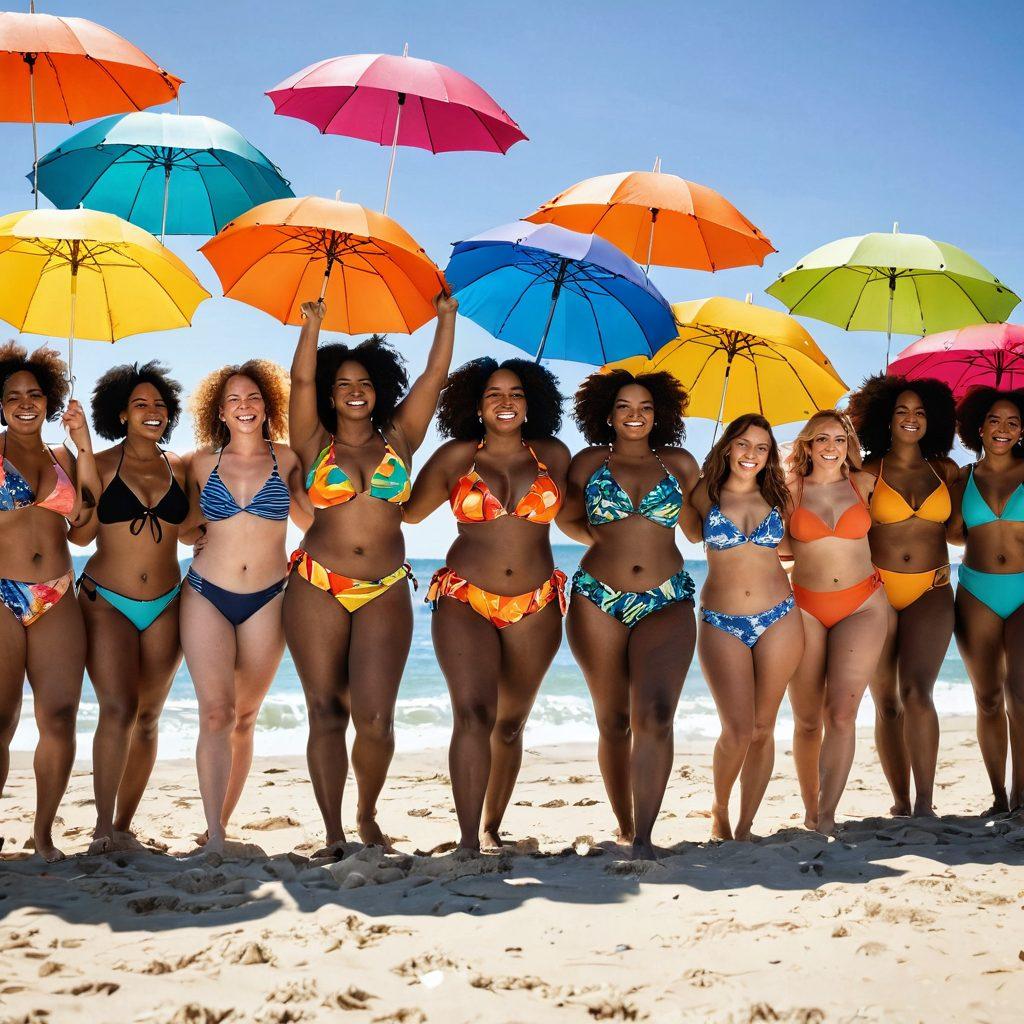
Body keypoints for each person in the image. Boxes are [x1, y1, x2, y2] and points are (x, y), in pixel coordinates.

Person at [285, 294, 457, 854]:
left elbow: (434, 377)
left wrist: (446, 319)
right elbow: (300, 381)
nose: (354, 391)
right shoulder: (312, 440)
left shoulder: (400, 438)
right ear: (330, 392)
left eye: (364, 383)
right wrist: (312, 327)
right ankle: (333, 831)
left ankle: (365, 813)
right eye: (343, 384)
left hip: (384, 587)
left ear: (379, 389)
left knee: (376, 718)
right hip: (317, 584)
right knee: (325, 712)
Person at [403, 357, 569, 853]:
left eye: (516, 393)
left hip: (536, 603)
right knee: (474, 715)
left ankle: (491, 827)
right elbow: (409, 513)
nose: (505, 402)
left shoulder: (552, 454)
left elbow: (580, 518)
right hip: (465, 598)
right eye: (494, 394)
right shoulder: (457, 457)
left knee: (510, 725)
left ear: (531, 403)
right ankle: (466, 840)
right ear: (476, 405)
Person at [560, 369, 699, 858]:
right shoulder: (589, 461)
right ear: (607, 414)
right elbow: (566, 515)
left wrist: (709, 488)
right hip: (598, 597)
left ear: (660, 415)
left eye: (644, 407)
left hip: (667, 597)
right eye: (624, 406)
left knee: (656, 715)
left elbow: (698, 530)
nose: (634, 415)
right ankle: (624, 823)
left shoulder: (680, 463)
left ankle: (644, 837)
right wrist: (603, 539)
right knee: (614, 720)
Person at [181, 361, 311, 855]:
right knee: (216, 712)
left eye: (253, 397)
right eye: (233, 399)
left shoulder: (287, 458)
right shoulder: (200, 463)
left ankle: (221, 822)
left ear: (268, 405)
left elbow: (309, 521)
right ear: (219, 411)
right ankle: (214, 835)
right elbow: (182, 527)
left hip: (269, 597)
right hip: (206, 593)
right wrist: (199, 534)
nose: (244, 406)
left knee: (244, 716)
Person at [70, 363, 189, 853]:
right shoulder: (99, 464)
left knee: (148, 718)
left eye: (159, 404)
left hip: (167, 602)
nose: (152, 411)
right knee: (118, 710)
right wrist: (81, 448)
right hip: (107, 601)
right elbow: (80, 535)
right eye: (140, 404)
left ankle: (123, 825)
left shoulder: (179, 466)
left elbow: (195, 528)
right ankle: (101, 827)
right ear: (121, 414)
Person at [682, 414, 803, 841]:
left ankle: (747, 824)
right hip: (721, 620)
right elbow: (690, 535)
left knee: (762, 728)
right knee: (736, 730)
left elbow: (794, 549)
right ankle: (720, 809)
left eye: (762, 448)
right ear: (728, 446)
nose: (751, 454)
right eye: (743, 444)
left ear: (770, 456)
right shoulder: (704, 492)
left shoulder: (778, 494)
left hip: (779, 617)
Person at [0, 341, 98, 861]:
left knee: (59, 718)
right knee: (1, 719)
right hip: (1, 592)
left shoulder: (63, 458)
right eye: (13, 395)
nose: (24, 402)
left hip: (57, 594)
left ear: (49, 400)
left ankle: (43, 834)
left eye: (34, 394)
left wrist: (84, 446)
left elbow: (84, 532)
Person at [847, 375, 958, 819]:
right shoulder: (867, 471)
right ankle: (901, 799)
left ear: (934, 420)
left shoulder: (945, 471)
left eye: (920, 412)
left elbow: (960, 532)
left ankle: (926, 802)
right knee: (887, 703)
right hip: (877, 591)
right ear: (885, 419)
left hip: (932, 589)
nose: (911, 419)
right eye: (901, 411)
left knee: (917, 693)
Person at [784, 409, 892, 835]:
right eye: (822, 439)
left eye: (840, 439)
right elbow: (775, 546)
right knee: (808, 719)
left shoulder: (864, 484)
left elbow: (900, 529)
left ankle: (827, 816)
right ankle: (811, 809)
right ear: (808, 446)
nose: (832, 447)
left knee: (842, 714)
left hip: (862, 605)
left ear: (850, 446)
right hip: (805, 607)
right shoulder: (790, 489)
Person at [948, 386, 1024, 814]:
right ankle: (998, 796)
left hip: (1023, 590)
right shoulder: (964, 477)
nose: (1003, 428)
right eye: (995, 419)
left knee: (1021, 695)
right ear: (979, 427)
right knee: (989, 699)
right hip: (977, 589)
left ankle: (1021, 795)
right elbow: (954, 534)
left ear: (1023, 431)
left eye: (1013, 422)